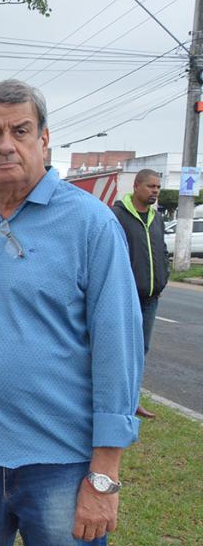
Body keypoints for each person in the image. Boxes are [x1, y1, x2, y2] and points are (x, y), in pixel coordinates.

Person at [0, 79, 143, 546]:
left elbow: (119, 349)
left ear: (45, 140)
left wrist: (104, 475)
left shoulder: (90, 224)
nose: (6, 144)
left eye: (20, 130)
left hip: (61, 465)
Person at [112, 168, 169, 420]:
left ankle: (133, 401)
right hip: (125, 298)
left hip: (150, 299)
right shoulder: (117, 217)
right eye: (150, 186)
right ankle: (115, 403)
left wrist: (162, 279)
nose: (155, 191)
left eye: (157, 187)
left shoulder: (156, 219)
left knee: (141, 350)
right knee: (119, 350)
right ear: (136, 187)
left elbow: (162, 252)